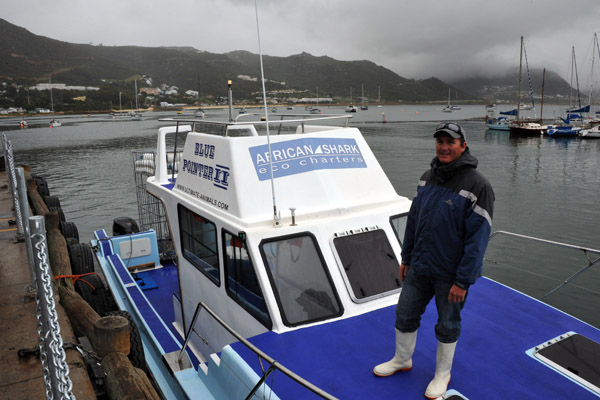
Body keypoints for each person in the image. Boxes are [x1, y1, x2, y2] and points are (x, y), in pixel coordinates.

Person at [373, 122, 494, 399]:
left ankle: (442, 374)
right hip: (419, 267)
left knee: (448, 324)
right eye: (440, 141)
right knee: (404, 313)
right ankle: (402, 359)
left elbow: (477, 241)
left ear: (463, 145)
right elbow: (413, 220)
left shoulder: (478, 186)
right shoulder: (427, 177)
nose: (444, 147)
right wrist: (406, 256)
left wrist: (463, 280)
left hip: (451, 275)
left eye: (450, 142)